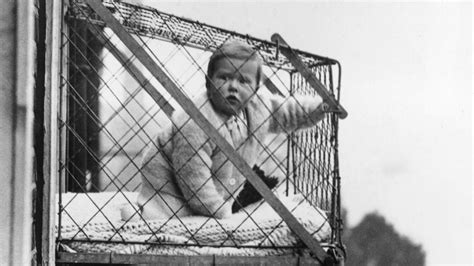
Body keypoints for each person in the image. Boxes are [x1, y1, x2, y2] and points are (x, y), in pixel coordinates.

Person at [123, 40, 328, 221]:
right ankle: (143, 212)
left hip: (219, 184)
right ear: (208, 83)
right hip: (169, 189)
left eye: (243, 81)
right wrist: (219, 213)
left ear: (256, 89)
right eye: (224, 78)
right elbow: (194, 179)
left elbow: (287, 113)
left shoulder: (257, 108)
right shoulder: (195, 123)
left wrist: (319, 108)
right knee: (168, 216)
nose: (233, 87)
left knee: (248, 196)